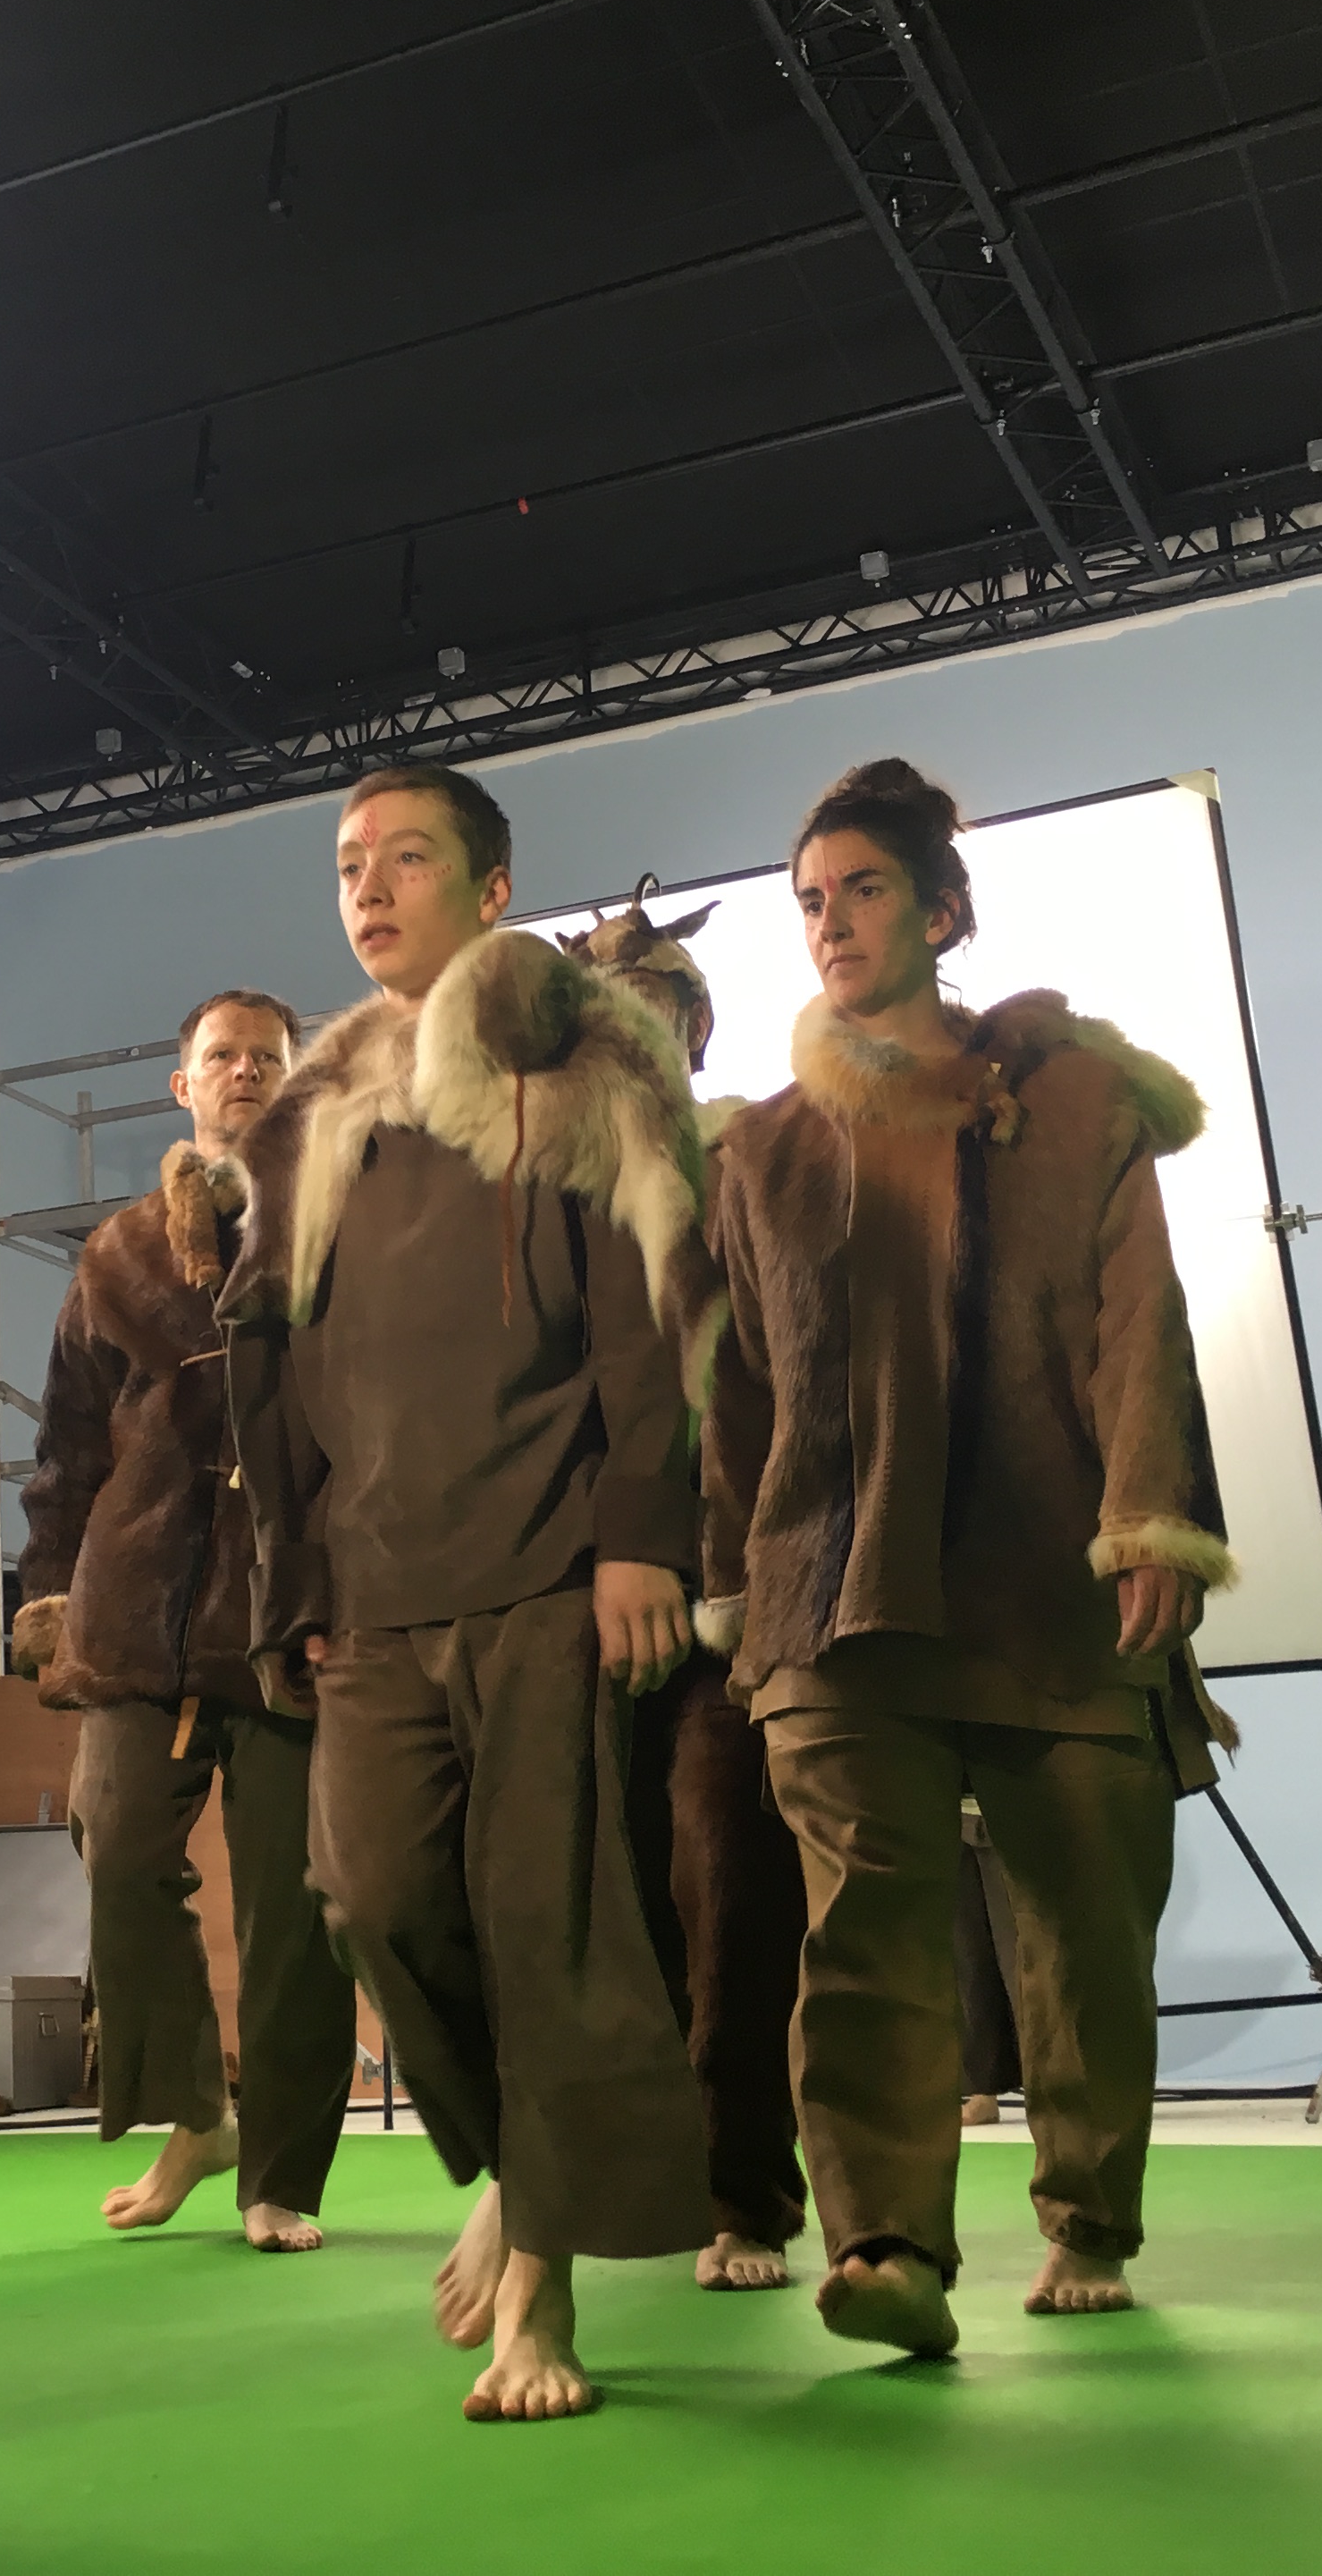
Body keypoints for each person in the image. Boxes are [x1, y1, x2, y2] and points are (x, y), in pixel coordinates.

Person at [700, 756, 1236, 2361]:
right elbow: (737, 1395)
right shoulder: (763, 1151)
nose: (829, 922)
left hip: (1050, 1575)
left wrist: (1150, 1517)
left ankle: (1087, 2217)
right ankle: (883, 2246)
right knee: (864, 1926)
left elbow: (1141, 1319)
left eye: (862, 890)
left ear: (941, 912)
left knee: (1085, 1918)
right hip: (833, 1586)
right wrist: (734, 1580)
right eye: (809, 900)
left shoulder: (1074, 1104)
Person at [221, 764, 722, 2423]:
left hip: (548, 1570)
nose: (367, 889)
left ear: (494, 890)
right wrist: (293, 1574)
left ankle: (542, 2285)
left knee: (547, 1923)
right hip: (373, 1586)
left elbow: (652, 1315)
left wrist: (643, 1532)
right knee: (366, 1896)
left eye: (406, 859)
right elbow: (275, 1362)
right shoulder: (317, 1110)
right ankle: (520, 2161)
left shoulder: (578, 1064)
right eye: (347, 865)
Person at [12, 990, 355, 2251]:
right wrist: (49, 1596)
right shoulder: (115, 1257)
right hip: (136, 1609)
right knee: (116, 1849)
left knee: (294, 1906)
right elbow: (64, 1451)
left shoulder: (338, 1232)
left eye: (268, 1056)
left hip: (290, 1615)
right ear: (184, 1084)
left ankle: (282, 2175)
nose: (246, 1071)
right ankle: (195, 2115)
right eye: (223, 1055)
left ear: (296, 1079)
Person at [568, 892, 812, 2294]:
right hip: (568, 1595)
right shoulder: (537, 1189)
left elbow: (795, 1375)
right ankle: (631, 2176)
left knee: (731, 1886)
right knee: (607, 1903)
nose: (631, 1035)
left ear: (696, 1026)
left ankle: (741, 2188)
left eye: (653, 1011)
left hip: (727, 1587)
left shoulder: (758, 1157)